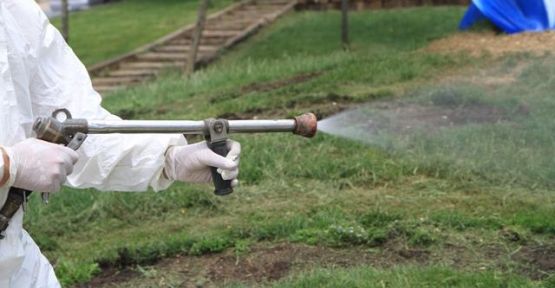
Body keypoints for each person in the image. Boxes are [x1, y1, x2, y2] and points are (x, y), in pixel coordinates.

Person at [0, 0, 241, 286]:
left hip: (14, 260)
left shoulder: (14, 13)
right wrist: (8, 165)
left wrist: (167, 159)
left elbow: (77, 125)